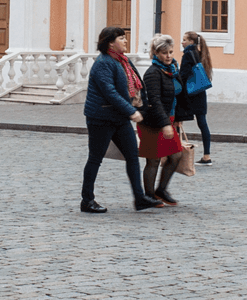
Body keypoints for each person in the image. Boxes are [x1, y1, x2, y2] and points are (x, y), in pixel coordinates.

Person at [80, 26, 161, 213]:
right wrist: (131, 112)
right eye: (122, 38)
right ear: (110, 43)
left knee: (132, 156)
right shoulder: (103, 63)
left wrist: (141, 107)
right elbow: (110, 93)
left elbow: (135, 87)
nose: (125, 41)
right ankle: (87, 200)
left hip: (119, 118)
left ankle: (139, 198)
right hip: (101, 118)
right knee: (95, 158)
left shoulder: (123, 61)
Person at [139, 34, 184, 206]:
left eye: (171, 52)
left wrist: (177, 118)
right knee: (153, 159)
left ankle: (161, 190)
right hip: (153, 121)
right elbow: (154, 100)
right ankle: (149, 195)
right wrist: (165, 123)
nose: (168, 56)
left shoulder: (172, 70)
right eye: (164, 53)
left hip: (169, 119)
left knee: (176, 155)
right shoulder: (152, 73)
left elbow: (178, 96)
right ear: (156, 53)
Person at [175, 31, 214, 164]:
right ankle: (207, 156)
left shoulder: (187, 55)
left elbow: (183, 75)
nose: (182, 42)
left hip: (188, 94)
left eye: (184, 39)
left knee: (178, 121)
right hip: (200, 93)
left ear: (191, 42)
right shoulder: (200, 54)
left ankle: (176, 153)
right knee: (202, 123)